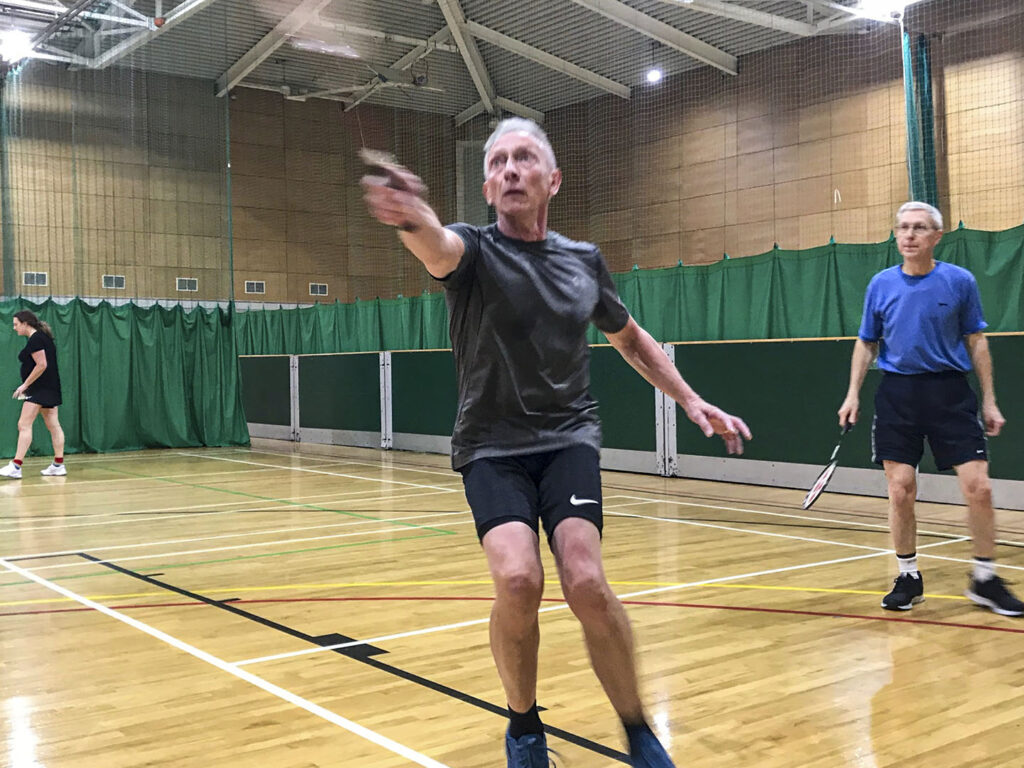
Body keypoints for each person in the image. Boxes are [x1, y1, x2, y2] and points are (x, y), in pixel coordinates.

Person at [363, 117, 751, 768]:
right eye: (499, 163)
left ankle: (636, 728)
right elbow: (433, 244)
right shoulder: (473, 252)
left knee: (587, 583)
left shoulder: (582, 262)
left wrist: (689, 398)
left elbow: (628, 337)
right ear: (487, 187)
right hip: (489, 443)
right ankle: (523, 723)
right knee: (517, 581)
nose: (510, 169)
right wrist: (409, 214)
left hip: (566, 435)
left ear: (552, 180)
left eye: (524, 158)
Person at [837, 201, 1021, 617]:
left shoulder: (959, 281)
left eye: (919, 228)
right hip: (897, 395)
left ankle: (985, 579)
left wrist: (989, 400)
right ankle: (907, 575)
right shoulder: (880, 285)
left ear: (937, 236)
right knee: (900, 489)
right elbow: (867, 342)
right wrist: (853, 393)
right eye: (903, 227)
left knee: (981, 488)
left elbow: (977, 340)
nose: (909, 235)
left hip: (950, 394)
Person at [1, 310, 67, 479]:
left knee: (24, 424)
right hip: (50, 387)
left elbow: (42, 365)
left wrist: (24, 385)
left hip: (40, 389)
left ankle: (16, 466)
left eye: (16, 324)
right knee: (53, 424)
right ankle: (58, 465)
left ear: (25, 323)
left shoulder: (37, 338)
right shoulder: (43, 338)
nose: (14, 328)